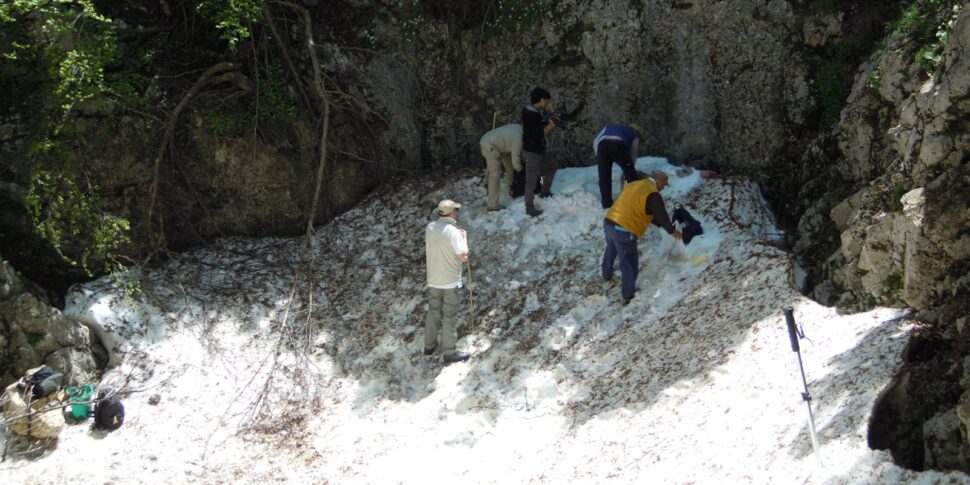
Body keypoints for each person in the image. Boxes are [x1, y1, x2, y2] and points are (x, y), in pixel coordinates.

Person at [602, 171, 683, 304]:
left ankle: (606, 274)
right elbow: (661, 216)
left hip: (609, 222)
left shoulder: (636, 184)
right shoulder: (653, 194)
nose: (663, 188)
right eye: (664, 184)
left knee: (611, 249)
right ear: (659, 181)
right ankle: (628, 294)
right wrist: (672, 230)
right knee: (629, 261)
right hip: (624, 230)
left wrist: (666, 226)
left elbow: (650, 215)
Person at [424, 199, 471, 364]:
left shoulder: (429, 227)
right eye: (455, 210)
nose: (456, 213)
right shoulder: (453, 232)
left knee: (433, 311)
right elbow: (463, 256)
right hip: (450, 281)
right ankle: (449, 352)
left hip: (433, 279)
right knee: (449, 315)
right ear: (451, 213)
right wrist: (464, 238)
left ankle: (429, 346)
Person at [521, 87, 558, 217]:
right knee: (531, 180)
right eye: (546, 100)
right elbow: (540, 133)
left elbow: (538, 127)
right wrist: (551, 125)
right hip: (532, 152)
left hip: (538, 149)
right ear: (541, 100)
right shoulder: (531, 114)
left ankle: (545, 191)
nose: (547, 103)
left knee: (552, 166)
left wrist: (546, 121)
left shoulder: (534, 112)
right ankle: (529, 207)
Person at [593, 123, 644, 209]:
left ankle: (606, 204)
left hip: (602, 147)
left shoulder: (608, 127)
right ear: (637, 132)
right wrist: (629, 167)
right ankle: (634, 199)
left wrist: (600, 158)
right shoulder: (634, 135)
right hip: (617, 145)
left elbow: (595, 141)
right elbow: (633, 154)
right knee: (631, 174)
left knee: (604, 177)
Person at [479, 123, 523, 212]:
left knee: (509, 165)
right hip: (489, 146)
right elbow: (516, 158)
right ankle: (492, 205)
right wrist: (520, 170)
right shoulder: (519, 138)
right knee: (494, 175)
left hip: (500, 145)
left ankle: (512, 186)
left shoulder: (519, 128)